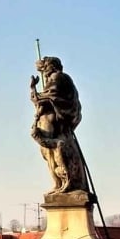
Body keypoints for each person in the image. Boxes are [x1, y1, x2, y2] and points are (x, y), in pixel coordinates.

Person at [29, 56, 90, 195]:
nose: (44, 72)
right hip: (52, 123)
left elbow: (48, 97)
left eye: (45, 68)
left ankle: (67, 182)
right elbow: (42, 99)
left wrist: (34, 90)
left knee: (56, 152)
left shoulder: (58, 76)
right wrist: (35, 90)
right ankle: (59, 183)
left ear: (51, 66)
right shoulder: (55, 78)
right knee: (49, 154)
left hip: (56, 122)